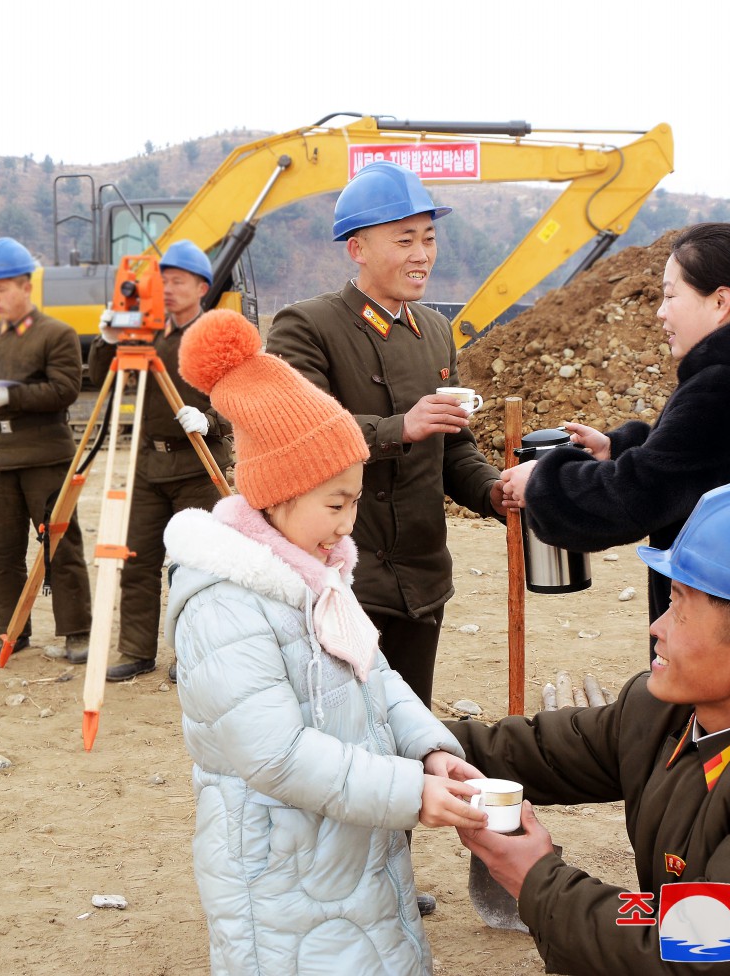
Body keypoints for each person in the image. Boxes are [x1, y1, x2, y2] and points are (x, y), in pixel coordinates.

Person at [441, 478, 730, 974]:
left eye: (680, 606)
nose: (658, 626)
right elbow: (534, 751)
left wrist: (534, 879)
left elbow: (699, 953)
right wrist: (409, 741)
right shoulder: (663, 710)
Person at [163, 309, 486, 976]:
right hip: (279, 873)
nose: (348, 526)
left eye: (355, 502)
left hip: (345, 848)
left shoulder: (320, 578)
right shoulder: (225, 602)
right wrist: (408, 793)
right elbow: (275, 754)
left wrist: (428, 750)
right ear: (276, 496)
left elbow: (377, 674)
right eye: (334, 505)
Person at [500, 222, 730, 716]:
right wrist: (618, 446)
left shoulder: (727, 389)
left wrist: (542, 484)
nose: (660, 314)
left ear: (720, 301)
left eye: (670, 295)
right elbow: (703, 462)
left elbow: (634, 498)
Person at [267, 160, 508, 713]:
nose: (421, 254)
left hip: (421, 576)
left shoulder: (435, 331)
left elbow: (452, 449)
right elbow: (301, 434)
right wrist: (403, 427)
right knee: (342, 734)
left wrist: (493, 492)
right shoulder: (308, 325)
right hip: (341, 573)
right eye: (404, 240)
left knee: (408, 728)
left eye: (428, 238)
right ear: (358, 248)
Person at [87, 240, 232, 682]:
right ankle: (136, 649)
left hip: (198, 465)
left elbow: (242, 395)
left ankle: (193, 651)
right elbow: (101, 380)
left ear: (202, 286)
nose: (167, 289)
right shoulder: (146, 330)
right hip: (148, 465)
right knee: (137, 557)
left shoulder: (216, 332)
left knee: (195, 567)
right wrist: (107, 339)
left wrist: (209, 419)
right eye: (163, 280)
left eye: (178, 281)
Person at [0, 237, 91, 665]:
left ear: (26, 287)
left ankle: (77, 632)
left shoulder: (57, 334)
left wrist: (11, 398)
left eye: (1, 288)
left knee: (60, 546)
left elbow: (64, 389)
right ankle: (11, 631)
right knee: (0, 551)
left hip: (45, 458)